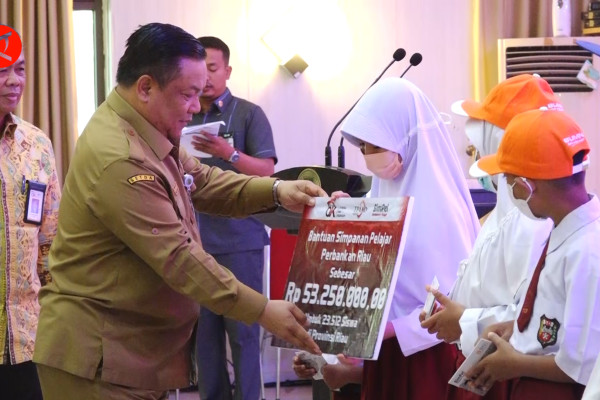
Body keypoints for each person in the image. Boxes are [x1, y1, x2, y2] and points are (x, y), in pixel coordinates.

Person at [32, 22, 325, 400]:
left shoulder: (146, 130)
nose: (196, 107)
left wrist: (277, 191)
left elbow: (203, 180)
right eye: (188, 95)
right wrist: (263, 309)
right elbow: (178, 258)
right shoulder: (120, 157)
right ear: (146, 87)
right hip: (99, 362)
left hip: (130, 356)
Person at [294, 77, 481, 399]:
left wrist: (389, 329)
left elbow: (454, 303)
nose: (368, 155)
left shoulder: (441, 208)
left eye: (377, 146)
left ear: (406, 138)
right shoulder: (383, 193)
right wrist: (346, 221)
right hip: (382, 352)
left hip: (428, 358)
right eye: (364, 147)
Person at [419, 74, 557, 399]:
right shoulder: (506, 211)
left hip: (510, 375)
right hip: (485, 365)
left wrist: (464, 321)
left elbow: (536, 319)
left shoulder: (531, 219)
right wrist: (454, 310)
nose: (476, 157)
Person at [466, 108, 600, 399]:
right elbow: (559, 320)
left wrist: (514, 364)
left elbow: (580, 365)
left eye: (508, 180)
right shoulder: (565, 228)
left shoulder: (587, 252)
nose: (509, 191)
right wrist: (517, 329)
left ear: (526, 186)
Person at [187, 36, 276, 400]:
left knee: (243, 334)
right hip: (194, 244)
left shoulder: (248, 114)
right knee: (204, 339)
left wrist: (229, 153)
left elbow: (267, 171)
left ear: (228, 70)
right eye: (199, 69)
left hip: (241, 243)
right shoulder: (184, 114)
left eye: (212, 68)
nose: (206, 77)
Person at [0, 42, 61, 400]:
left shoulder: (37, 144)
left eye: (19, 69)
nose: (13, 80)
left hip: (28, 337)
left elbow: (50, 239)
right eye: (1, 71)